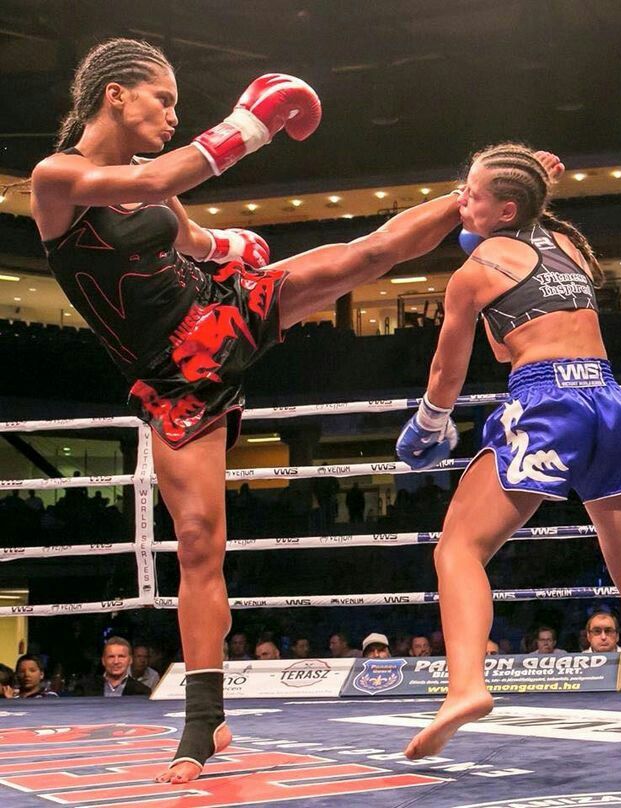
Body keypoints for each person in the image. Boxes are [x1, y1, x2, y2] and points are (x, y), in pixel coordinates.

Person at [29, 38, 461, 784]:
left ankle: (474, 195)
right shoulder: (57, 179)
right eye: (161, 98)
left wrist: (234, 244)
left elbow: (195, 238)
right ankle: (208, 717)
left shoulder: (152, 185)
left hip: (217, 311)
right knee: (197, 542)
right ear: (116, 96)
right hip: (170, 380)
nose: (171, 112)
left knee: (361, 258)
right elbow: (168, 171)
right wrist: (252, 122)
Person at [395, 142, 621, 759]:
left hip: (547, 399)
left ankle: (466, 688)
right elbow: (528, 233)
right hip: (608, 398)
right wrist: (528, 187)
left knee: (458, 549)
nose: (459, 202)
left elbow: (449, 369)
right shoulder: (573, 248)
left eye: (470, 194)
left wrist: (429, 420)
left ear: (505, 210)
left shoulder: (473, 275)